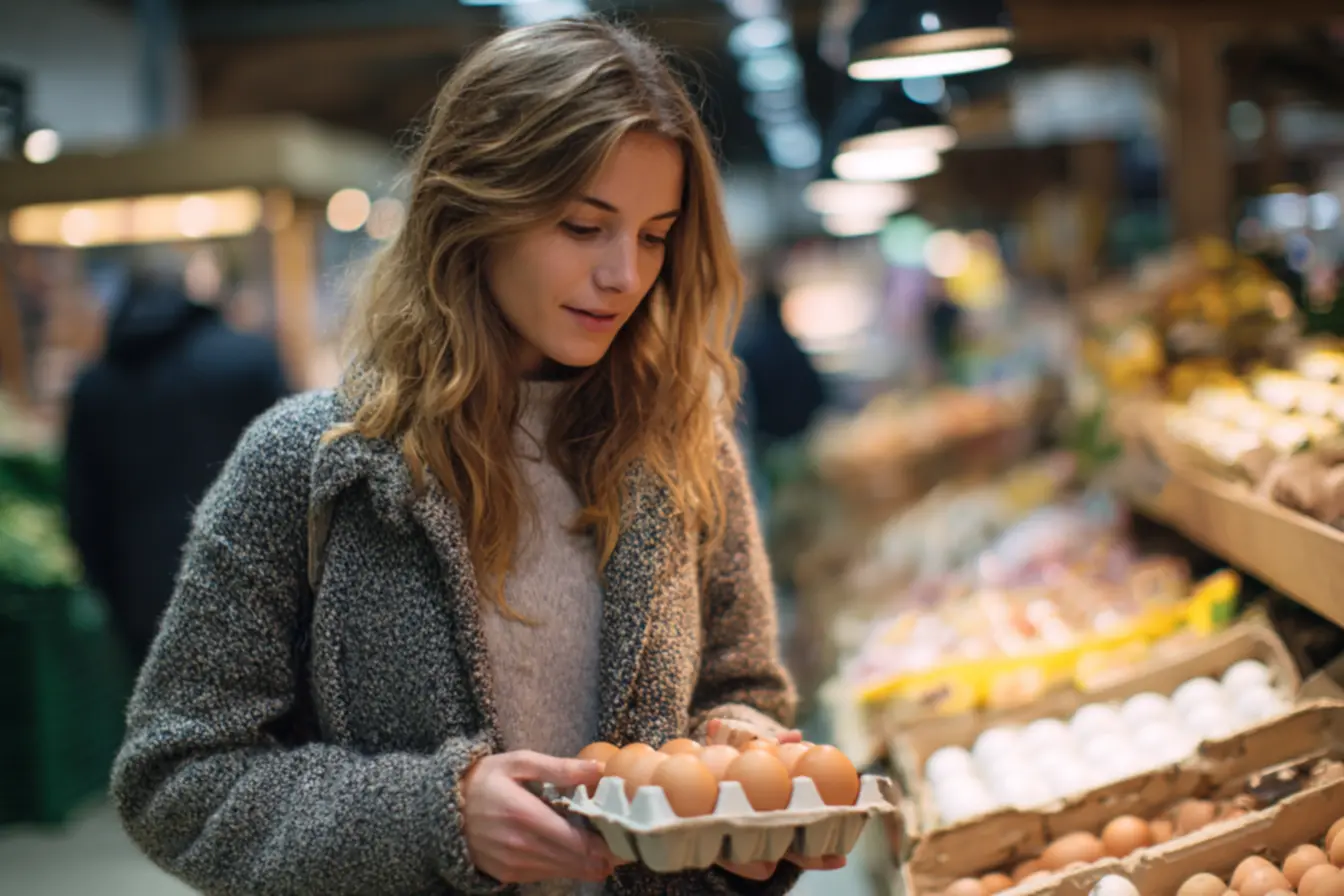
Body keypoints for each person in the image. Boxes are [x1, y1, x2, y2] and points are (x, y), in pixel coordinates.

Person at [110, 18, 843, 896]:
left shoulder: (684, 447)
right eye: (583, 226)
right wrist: (436, 815)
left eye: (654, 235)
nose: (624, 274)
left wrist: (742, 768)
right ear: (475, 212)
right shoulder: (308, 465)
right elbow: (174, 776)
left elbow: (742, 686)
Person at [63, 254, 289, 669]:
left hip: (144, 597)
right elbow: (294, 481)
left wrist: (112, 591)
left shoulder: (95, 386)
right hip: (253, 588)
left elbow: (83, 510)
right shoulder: (249, 359)